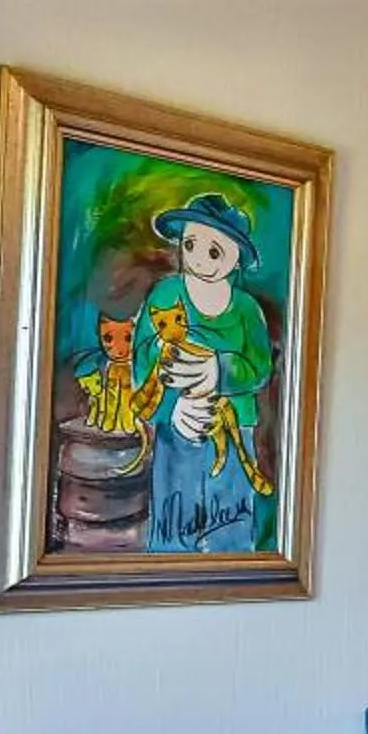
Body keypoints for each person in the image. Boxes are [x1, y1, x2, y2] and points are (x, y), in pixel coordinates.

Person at [131, 191, 276, 553]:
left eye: (214, 251)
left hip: (235, 429)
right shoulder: (165, 294)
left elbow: (259, 369)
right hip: (176, 431)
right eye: (191, 244)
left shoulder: (246, 309)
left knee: (231, 521)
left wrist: (218, 370)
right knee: (173, 522)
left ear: (236, 258)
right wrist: (171, 409)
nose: (199, 259)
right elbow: (143, 363)